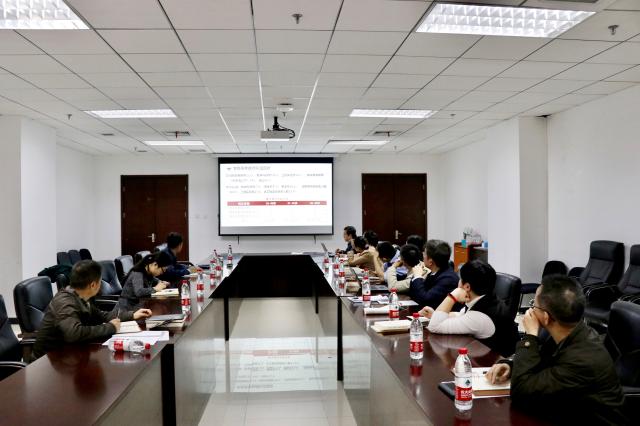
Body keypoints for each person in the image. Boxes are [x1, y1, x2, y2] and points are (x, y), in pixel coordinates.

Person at [485, 275, 626, 425]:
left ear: (546, 317)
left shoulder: (582, 359)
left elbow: (521, 392)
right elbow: (538, 359)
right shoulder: (570, 331)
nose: (531, 310)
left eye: (533, 305)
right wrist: (509, 364)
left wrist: (530, 336)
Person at [31, 260, 152, 360]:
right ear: (93, 285)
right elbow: (73, 333)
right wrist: (110, 327)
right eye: (100, 281)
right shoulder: (65, 301)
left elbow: (102, 315)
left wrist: (132, 315)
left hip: (68, 354)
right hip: (47, 362)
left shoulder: (81, 295)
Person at [420, 260, 519, 356]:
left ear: (467, 287)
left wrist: (453, 296)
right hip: (481, 355)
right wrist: (435, 315)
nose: (458, 282)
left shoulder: (479, 317)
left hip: (494, 363)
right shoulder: (485, 297)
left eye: (460, 279)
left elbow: (434, 327)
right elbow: (461, 315)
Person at [409, 240, 458, 308]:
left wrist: (418, 277)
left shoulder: (448, 279)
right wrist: (417, 277)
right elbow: (415, 295)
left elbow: (425, 300)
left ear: (430, 262)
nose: (422, 254)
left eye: (425, 253)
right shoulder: (435, 272)